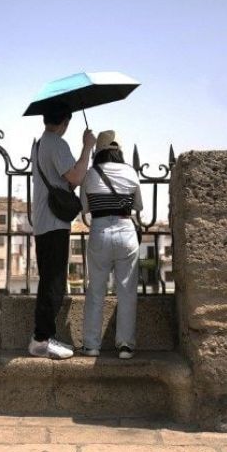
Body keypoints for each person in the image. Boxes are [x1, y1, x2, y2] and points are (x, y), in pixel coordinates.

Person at [30, 104, 94, 360]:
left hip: (44, 221)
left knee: (49, 281)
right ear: (65, 121)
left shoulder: (39, 144)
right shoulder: (56, 143)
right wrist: (87, 146)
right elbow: (76, 177)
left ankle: (43, 336)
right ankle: (41, 340)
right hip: (54, 222)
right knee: (54, 284)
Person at [79, 131, 143, 359]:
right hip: (126, 231)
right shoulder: (130, 172)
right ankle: (125, 345)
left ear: (98, 151)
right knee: (126, 291)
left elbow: (85, 208)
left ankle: (91, 345)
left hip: (99, 231)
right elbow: (139, 205)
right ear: (119, 151)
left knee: (96, 290)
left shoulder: (90, 174)